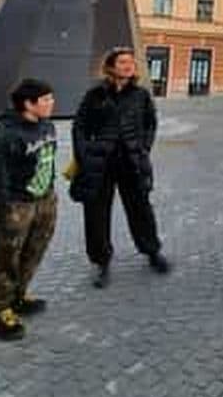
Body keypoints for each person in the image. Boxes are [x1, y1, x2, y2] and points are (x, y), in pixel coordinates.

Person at [72, 47, 169, 287]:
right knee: (96, 213)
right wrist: (84, 155)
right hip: (100, 162)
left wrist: (143, 147)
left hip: (132, 161)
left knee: (141, 209)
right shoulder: (95, 94)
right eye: (123, 62)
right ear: (111, 67)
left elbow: (150, 123)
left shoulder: (141, 95)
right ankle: (101, 261)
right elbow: (80, 126)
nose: (128, 66)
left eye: (131, 62)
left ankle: (152, 251)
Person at [0, 79, 58, 340]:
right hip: (17, 206)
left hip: (44, 201)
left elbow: (48, 160)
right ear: (28, 104)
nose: (51, 103)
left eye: (51, 98)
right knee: (6, 260)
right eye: (45, 100)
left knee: (34, 251)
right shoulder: (8, 138)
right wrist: (2, 213)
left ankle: (19, 296)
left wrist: (50, 192)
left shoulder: (48, 126)